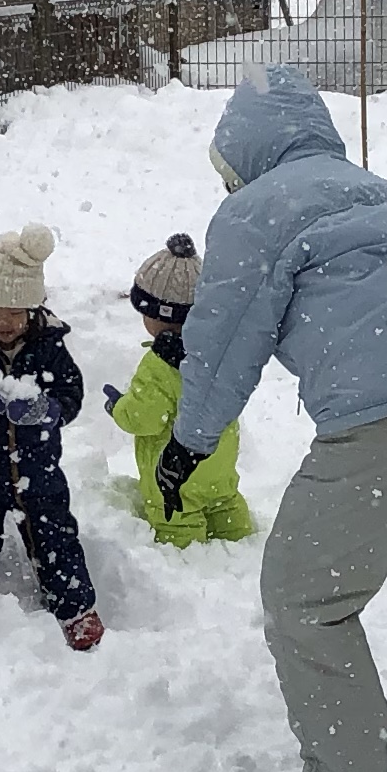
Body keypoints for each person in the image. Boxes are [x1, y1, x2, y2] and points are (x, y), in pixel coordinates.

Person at [160, 68, 387, 772]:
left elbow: (222, 341)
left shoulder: (257, 211)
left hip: (385, 410)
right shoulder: (385, 192)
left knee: (305, 597)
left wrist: (188, 442)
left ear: (243, 153)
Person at [0, 225, 104, 650]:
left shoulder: (49, 348)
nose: (3, 322)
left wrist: (49, 410)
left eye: (15, 312)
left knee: (56, 539)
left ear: (34, 307)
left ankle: (75, 609)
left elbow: (71, 393)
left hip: (37, 469)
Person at [107, 231, 254, 544]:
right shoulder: (221, 352)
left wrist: (118, 407)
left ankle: (187, 575)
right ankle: (243, 544)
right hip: (218, 467)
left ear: (156, 315)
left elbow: (144, 419)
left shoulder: (159, 366)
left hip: (174, 477)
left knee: (177, 523)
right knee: (225, 506)